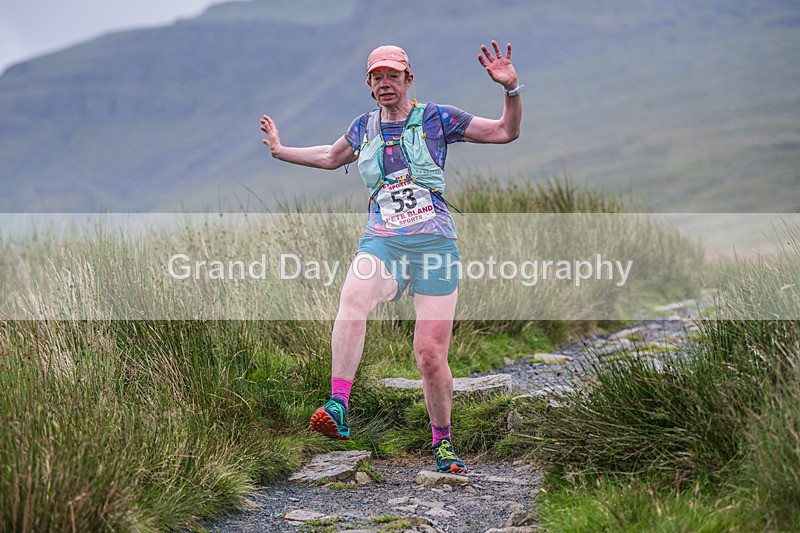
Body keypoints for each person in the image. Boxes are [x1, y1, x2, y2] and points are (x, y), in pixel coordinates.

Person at [260, 41, 522, 474]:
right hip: (383, 241)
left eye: (392, 76)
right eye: (377, 77)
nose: (385, 83)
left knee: (430, 355)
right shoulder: (363, 128)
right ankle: (338, 404)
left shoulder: (438, 118)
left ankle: (443, 444)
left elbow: (504, 132)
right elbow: (329, 156)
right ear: (369, 84)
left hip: (435, 244)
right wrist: (280, 150)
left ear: (408, 79)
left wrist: (511, 90)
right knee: (353, 298)